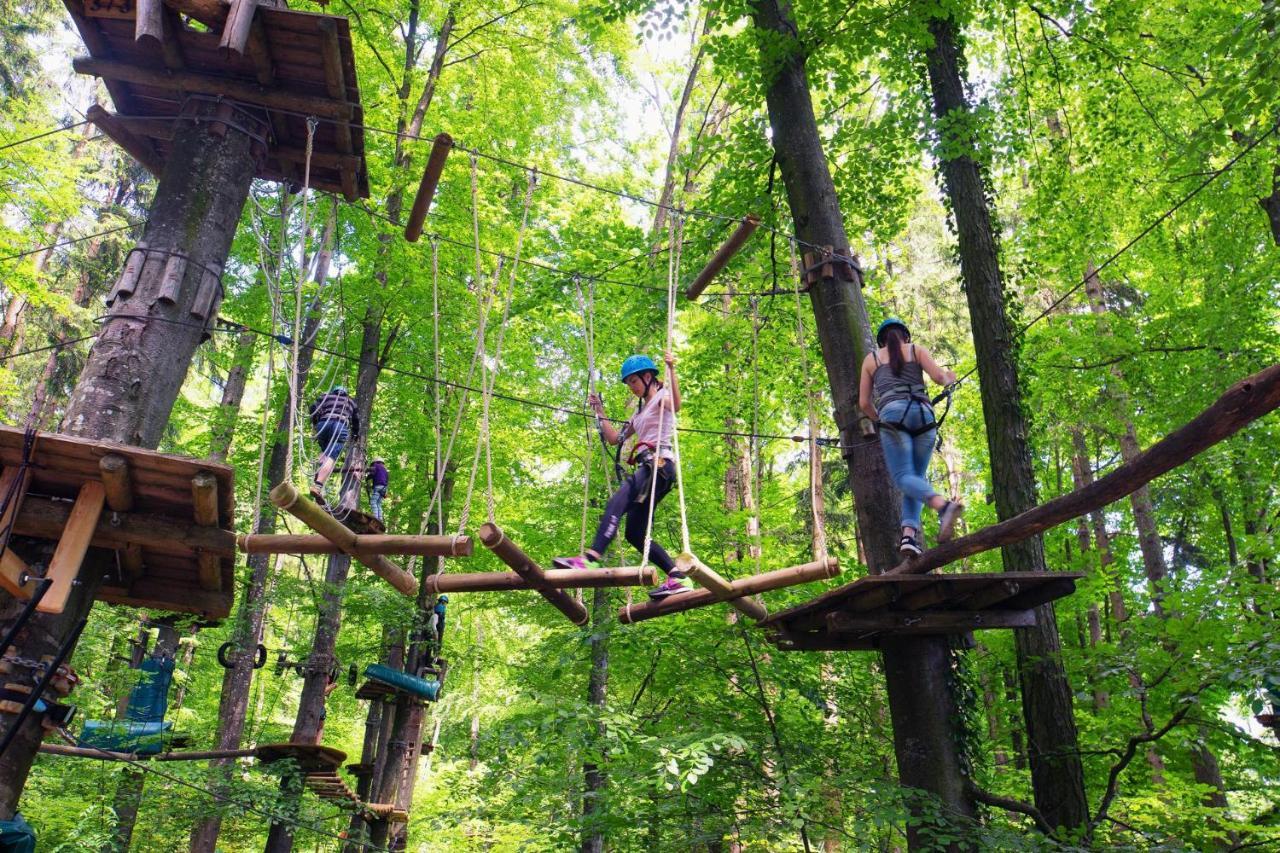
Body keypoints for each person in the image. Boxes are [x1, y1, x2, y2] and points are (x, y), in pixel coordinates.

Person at [553, 353, 693, 598]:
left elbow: (677, 405)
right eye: (628, 384)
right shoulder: (638, 414)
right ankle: (678, 577)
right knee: (634, 534)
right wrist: (600, 411)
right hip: (651, 470)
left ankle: (591, 558)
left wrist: (671, 370)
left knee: (617, 500)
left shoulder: (661, 398)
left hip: (659, 466)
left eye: (634, 382)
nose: (631, 388)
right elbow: (615, 438)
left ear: (648, 377)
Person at [859, 318, 963, 556]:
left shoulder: (871, 360)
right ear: (905, 337)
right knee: (915, 479)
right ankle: (908, 537)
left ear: (882, 340)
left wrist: (879, 419)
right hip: (924, 417)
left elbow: (864, 403)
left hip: (893, 417)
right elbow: (940, 379)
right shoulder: (916, 350)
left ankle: (943, 506)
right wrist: (951, 376)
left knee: (904, 477)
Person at [308, 386, 360, 499]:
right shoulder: (350, 401)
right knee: (331, 457)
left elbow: (313, 408)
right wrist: (355, 434)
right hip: (340, 425)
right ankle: (318, 486)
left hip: (323, 424)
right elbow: (356, 420)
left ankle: (317, 477)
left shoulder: (325, 397)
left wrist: (316, 421)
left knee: (324, 452)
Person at [368, 457, 389, 522]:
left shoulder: (375, 466)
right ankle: (380, 519)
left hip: (378, 486)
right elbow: (386, 479)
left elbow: (372, 474)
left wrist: (366, 478)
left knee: (373, 502)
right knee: (378, 503)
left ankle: (376, 518)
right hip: (384, 488)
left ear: (374, 462)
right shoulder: (385, 470)